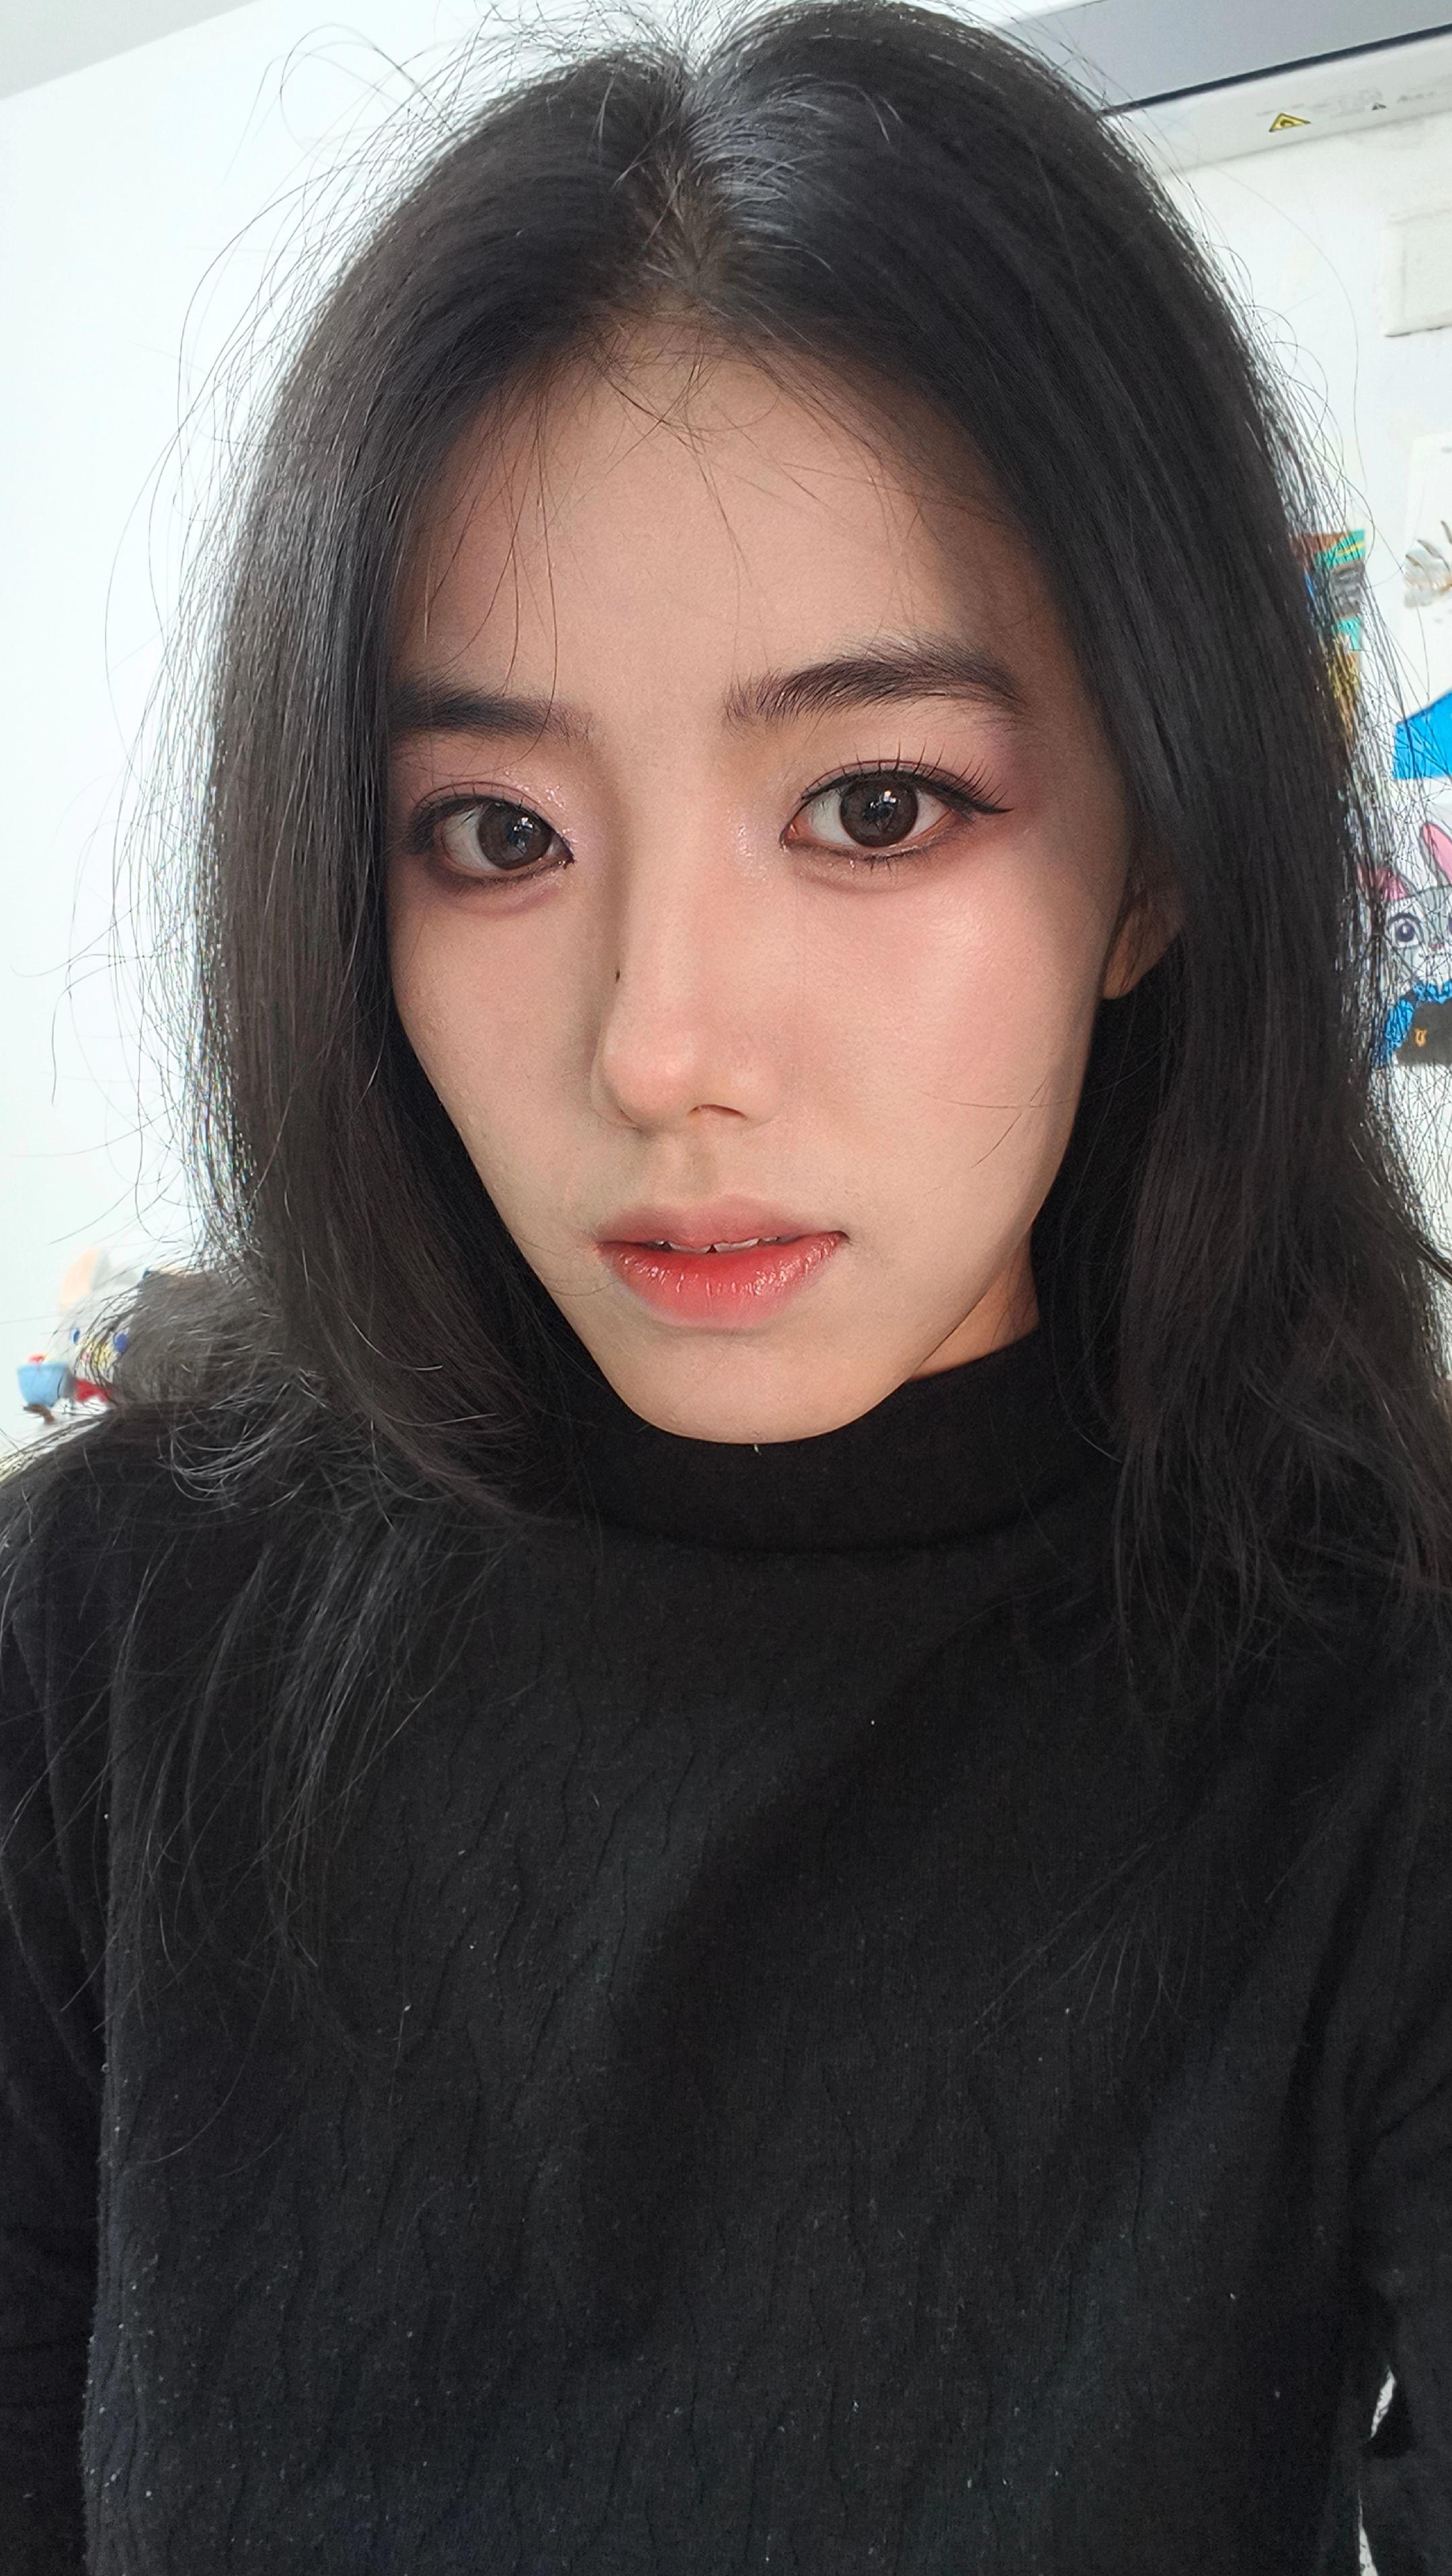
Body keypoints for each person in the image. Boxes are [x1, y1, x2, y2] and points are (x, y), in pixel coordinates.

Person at [2, 3, 1449, 2567]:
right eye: (493, 832)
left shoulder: (1369, 1725)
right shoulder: (101, 1639)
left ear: (1155, 855)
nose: (659, 1049)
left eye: (874, 805)